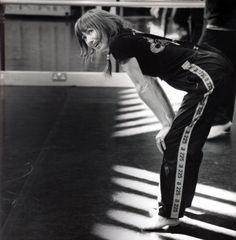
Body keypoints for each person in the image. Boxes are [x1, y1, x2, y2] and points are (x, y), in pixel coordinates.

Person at [74, 9, 235, 229]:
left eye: (90, 31)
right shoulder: (129, 37)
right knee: (181, 143)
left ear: (104, 24)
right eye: (84, 37)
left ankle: (169, 213)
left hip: (206, 74)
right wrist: (167, 122)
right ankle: (175, 206)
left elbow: (143, 86)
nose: (89, 40)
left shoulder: (120, 44)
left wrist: (168, 124)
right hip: (210, 68)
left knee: (178, 144)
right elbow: (152, 82)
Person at [198, 0, 236, 139]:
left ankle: (219, 119)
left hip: (219, 25)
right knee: (227, 67)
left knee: (202, 65)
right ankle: (221, 119)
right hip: (223, 24)